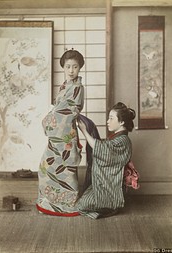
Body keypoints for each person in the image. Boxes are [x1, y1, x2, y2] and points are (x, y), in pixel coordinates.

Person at [36, 49, 85, 216]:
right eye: (68, 67)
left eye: (75, 67)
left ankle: (68, 205)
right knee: (46, 167)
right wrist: (52, 115)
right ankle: (50, 203)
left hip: (65, 134)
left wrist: (48, 120)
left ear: (80, 68)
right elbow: (58, 107)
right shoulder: (65, 86)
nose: (71, 70)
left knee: (65, 169)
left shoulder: (78, 88)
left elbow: (69, 111)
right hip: (59, 134)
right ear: (63, 68)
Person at [76, 102, 136, 219]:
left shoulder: (123, 141)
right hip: (106, 182)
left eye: (111, 118)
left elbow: (101, 149)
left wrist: (84, 131)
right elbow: (102, 146)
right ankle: (107, 206)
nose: (108, 121)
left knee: (82, 205)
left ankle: (110, 206)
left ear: (122, 122)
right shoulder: (118, 138)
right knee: (82, 199)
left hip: (111, 187)